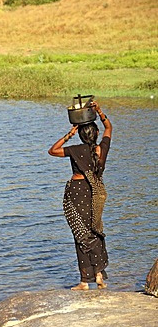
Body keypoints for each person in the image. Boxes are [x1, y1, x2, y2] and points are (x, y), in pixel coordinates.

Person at [48, 101, 112, 290]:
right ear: (97, 134)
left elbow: (52, 151)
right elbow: (109, 126)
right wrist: (99, 111)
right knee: (95, 230)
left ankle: (85, 281)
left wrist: (69, 134)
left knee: (80, 233)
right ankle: (99, 274)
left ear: (82, 136)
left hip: (77, 192)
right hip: (95, 193)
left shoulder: (76, 149)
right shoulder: (102, 149)